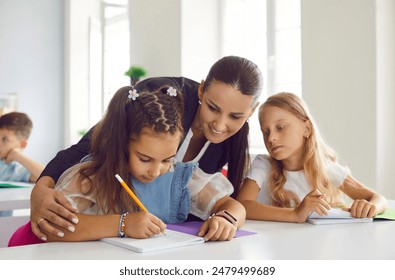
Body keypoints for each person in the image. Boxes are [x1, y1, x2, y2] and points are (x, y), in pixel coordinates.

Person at [30, 55, 262, 240]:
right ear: (201, 90)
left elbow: (229, 204)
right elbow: (84, 148)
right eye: (213, 108)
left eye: (167, 159)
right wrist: (43, 185)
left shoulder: (183, 176)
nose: (220, 125)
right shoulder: (91, 178)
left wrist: (226, 219)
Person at [236, 92, 387, 223]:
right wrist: (295, 214)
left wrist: (371, 207)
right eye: (266, 132)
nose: (271, 138)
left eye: (280, 128)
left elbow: (378, 198)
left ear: (306, 129)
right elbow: (242, 205)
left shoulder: (325, 168)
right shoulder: (263, 164)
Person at [0, 112, 44, 183]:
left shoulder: (18, 170)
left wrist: (17, 155)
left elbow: (49, 177)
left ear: (22, 145)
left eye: (4, 139)